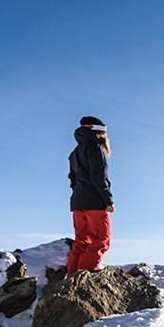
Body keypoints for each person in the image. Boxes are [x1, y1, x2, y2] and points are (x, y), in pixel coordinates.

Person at [67, 116, 114, 274]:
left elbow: (72, 179)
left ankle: (71, 278)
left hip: (78, 203)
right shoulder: (95, 148)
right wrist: (107, 199)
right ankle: (86, 279)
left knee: (81, 242)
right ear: (99, 132)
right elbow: (99, 177)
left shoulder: (74, 153)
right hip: (95, 203)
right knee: (100, 241)